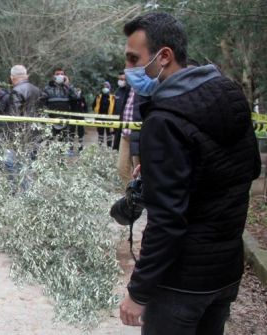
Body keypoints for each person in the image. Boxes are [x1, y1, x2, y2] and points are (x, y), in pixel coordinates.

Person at [118, 12, 262, 334]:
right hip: (225, 273)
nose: (127, 70)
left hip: (180, 286)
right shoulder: (230, 93)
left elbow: (167, 222)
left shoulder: (164, 120)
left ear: (164, 56)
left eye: (133, 59)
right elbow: (249, 167)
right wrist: (170, 171)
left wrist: (138, 293)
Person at [113, 73, 143, 184]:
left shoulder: (148, 88)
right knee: (121, 169)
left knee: (139, 173)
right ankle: (130, 196)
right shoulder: (126, 89)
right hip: (124, 134)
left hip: (139, 136)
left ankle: (141, 198)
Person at [41, 68, 78, 141]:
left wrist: (68, 85)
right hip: (51, 120)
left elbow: (76, 97)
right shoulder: (47, 88)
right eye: (57, 74)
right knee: (50, 140)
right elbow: (42, 103)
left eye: (62, 74)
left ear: (65, 76)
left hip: (65, 120)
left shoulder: (68, 88)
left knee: (64, 141)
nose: (60, 76)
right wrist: (46, 116)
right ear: (53, 76)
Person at [92, 81, 116, 146]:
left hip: (109, 118)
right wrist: (96, 112)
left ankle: (109, 147)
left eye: (107, 86)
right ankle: (100, 146)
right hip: (99, 118)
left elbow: (115, 107)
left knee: (109, 133)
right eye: (104, 86)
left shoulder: (112, 97)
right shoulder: (98, 96)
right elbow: (93, 105)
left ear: (109, 88)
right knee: (100, 133)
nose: (105, 88)